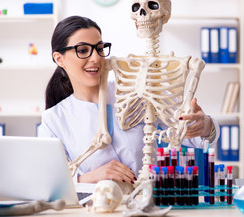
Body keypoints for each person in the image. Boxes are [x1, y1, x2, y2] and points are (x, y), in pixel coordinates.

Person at [38, 15, 220, 186]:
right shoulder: (54, 120)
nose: (95, 58)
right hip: (98, 207)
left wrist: (204, 125)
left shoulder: (137, 94)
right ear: (59, 58)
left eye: (99, 49)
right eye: (83, 50)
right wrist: (90, 177)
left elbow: (192, 136)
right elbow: (48, 181)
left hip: (151, 201)